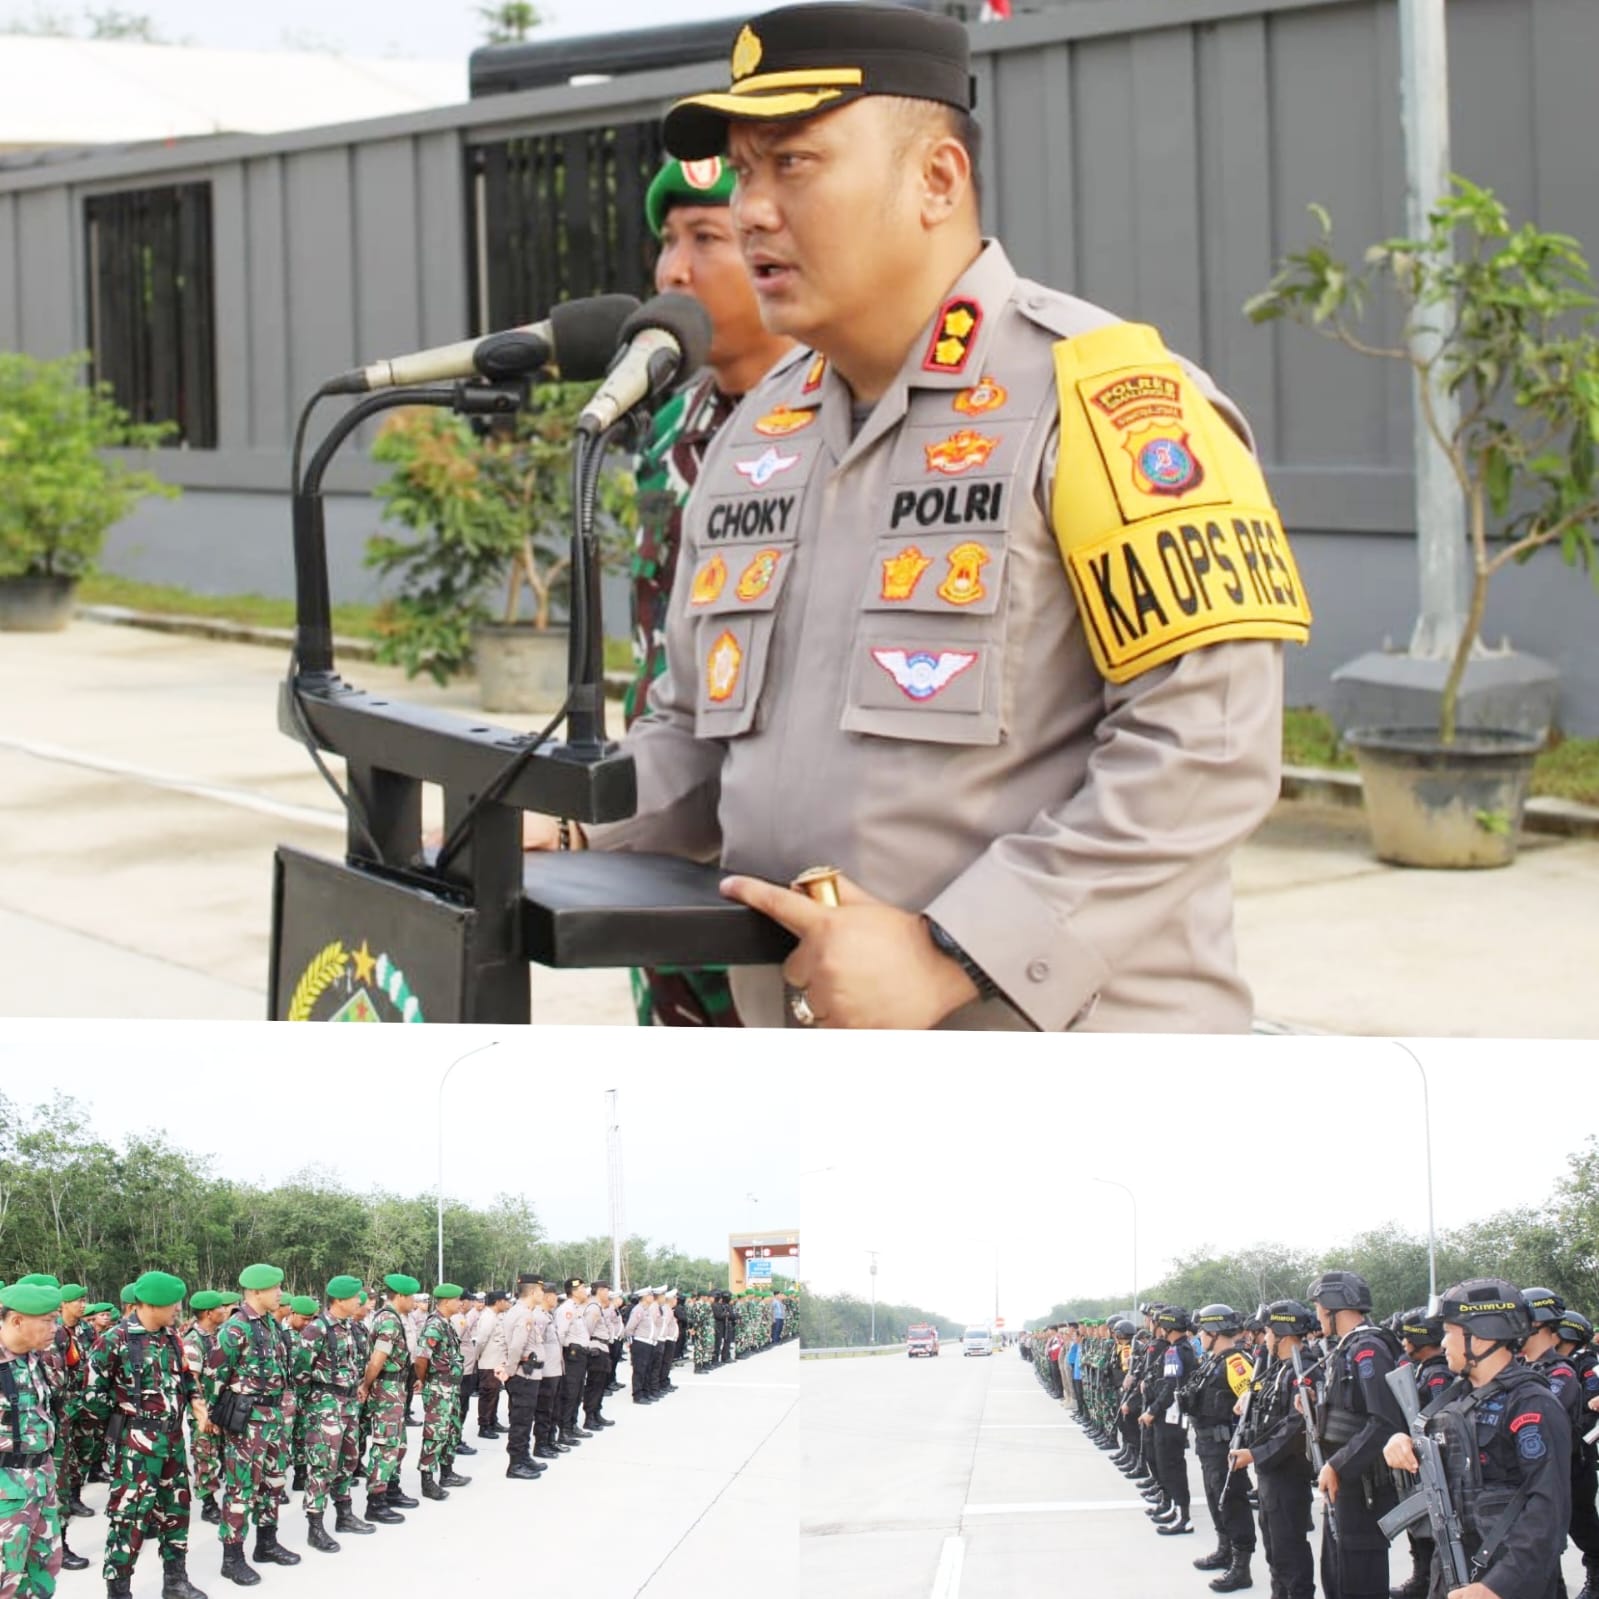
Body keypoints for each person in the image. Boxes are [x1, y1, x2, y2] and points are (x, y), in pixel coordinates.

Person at [523, 0, 1308, 1034]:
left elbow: (1206, 748)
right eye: (746, 173)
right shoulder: (759, 433)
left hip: (1067, 1073)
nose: (753, 210)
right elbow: (697, 741)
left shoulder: (1106, 401)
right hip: (806, 1055)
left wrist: (952, 954)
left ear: (938, 179)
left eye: (793, 164)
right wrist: (561, 825)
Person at [621, 153, 798, 1030]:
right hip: (653, 818)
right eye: (667, 241)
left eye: (704, 239)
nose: (673, 271)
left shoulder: (828, 425)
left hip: (760, 852)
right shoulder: (668, 425)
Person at [1382, 1279, 1571, 1599]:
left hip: (1510, 1581)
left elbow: (1548, 1511)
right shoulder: (1456, 1400)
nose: (1443, 1343)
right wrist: (1400, 1442)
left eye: (1450, 1332)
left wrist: (1497, 1586)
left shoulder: (1531, 1404)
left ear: (1481, 1335)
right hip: (1454, 1569)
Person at [85, 1271, 209, 1599]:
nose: (178, 1309)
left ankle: (175, 1581)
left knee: (177, 1511)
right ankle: (119, 1590)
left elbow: (186, 1376)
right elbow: (92, 1397)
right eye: (173, 1304)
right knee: (129, 1519)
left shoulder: (171, 1336)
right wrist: (125, 1423)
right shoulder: (115, 1340)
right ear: (151, 1304)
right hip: (136, 1448)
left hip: (172, 1442)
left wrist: (196, 1400)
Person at [1307, 1270, 1406, 1599]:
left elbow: (1385, 1421)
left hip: (1363, 1486)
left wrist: (1338, 1465)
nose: (1317, 1316)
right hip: (1346, 1483)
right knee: (1337, 1574)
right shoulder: (1347, 1347)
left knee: (1359, 1579)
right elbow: (1350, 1411)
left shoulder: (1368, 1349)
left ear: (1333, 1308)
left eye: (1319, 1308)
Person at [210, 1264, 297, 1586]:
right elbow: (215, 1375)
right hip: (247, 1420)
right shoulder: (236, 1328)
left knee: (273, 1482)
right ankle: (232, 1558)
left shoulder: (270, 1324)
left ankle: (267, 1543)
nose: (280, 1294)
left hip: (273, 1416)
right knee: (242, 1488)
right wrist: (215, 1419)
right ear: (257, 1291)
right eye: (275, 1288)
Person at [1231, 1300, 1319, 1599]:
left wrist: (1254, 1454)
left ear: (1283, 1333)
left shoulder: (1304, 1369)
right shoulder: (1280, 1367)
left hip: (1288, 1475)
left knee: (1289, 1550)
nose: (1265, 1337)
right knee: (1274, 1549)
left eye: (1268, 1331)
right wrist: (1248, 1398)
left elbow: (1296, 1428)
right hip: (1271, 1474)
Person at [293, 1276, 372, 1552]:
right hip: (325, 1404)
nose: (359, 1301)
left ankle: (344, 1514)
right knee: (323, 1465)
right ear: (339, 1300)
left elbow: (355, 1361)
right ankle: (315, 1527)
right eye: (354, 1297)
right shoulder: (316, 1329)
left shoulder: (351, 1327)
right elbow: (300, 1370)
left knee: (349, 1460)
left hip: (349, 1404)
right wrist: (312, 1402)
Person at [0, 1280, 67, 1599]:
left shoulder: (34, 1358)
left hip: (40, 1480)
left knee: (44, 1570)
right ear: (16, 1321)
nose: (55, 1328)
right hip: (7, 1492)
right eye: (48, 1321)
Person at [1188, 1304, 1259, 1592]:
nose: (1200, 1336)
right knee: (1215, 1499)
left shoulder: (1236, 1362)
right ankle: (1224, 1550)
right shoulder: (1213, 1361)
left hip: (1225, 1447)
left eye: (1203, 1331)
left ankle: (1241, 1568)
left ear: (1215, 1332)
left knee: (1232, 1504)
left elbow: (1252, 1401)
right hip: (1208, 1445)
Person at [358, 1275, 419, 1526]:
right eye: (411, 1297)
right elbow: (377, 1360)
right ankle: (376, 1502)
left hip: (396, 1387)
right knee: (386, 1445)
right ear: (401, 1296)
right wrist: (366, 1385)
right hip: (387, 1389)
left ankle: (392, 1488)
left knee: (397, 1443)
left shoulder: (392, 1318)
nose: (414, 1301)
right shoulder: (389, 1321)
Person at [1142, 1306, 1198, 1537]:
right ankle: (1176, 1509)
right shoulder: (1182, 1348)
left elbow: (1169, 1387)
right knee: (1170, 1466)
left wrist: (1152, 1411)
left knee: (1171, 1467)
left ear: (1167, 1327)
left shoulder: (1175, 1350)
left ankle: (1183, 1517)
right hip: (1173, 1417)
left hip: (1170, 1418)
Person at [180, 1293, 231, 1528]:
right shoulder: (193, 1341)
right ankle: (208, 1504)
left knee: (223, 1453)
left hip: (222, 1408)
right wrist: (204, 1414)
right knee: (205, 1456)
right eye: (220, 1308)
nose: (225, 1311)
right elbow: (193, 1380)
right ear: (209, 1313)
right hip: (205, 1410)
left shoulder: (218, 1336)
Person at [414, 1287, 469, 1501]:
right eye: (457, 1300)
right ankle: (427, 1481)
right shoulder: (434, 1325)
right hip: (438, 1386)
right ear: (446, 1302)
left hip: (451, 1386)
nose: (460, 1303)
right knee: (435, 1433)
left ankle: (447, 1472)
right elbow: (421, 1358)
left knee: (452, 1430)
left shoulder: (447, 1323)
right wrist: (423, 1379)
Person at [493, 1276, 543, 1479]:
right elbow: (516, 1347)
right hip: (523, 1375)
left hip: (525, 1374)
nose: (542, 1294)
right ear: (532, 1292)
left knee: (524, 1418)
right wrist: (511, 1371)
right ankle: (516, 1464)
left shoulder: (519, 1311)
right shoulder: (524, 1314)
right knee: (521, 1421)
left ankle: (524, 1457)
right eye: (540, 1290)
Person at [472, 1290, 509, 1440]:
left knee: (494, 1394)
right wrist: (477, 1358)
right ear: (498, 1302)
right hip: (488, 1362)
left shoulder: (495, 1316)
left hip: (496, 1362)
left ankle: (493, 1421)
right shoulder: (488, 1317)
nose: (507, 1304)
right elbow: (481, 1341)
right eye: (505, 1301)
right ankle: (484, 1426)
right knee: (487, 1395)